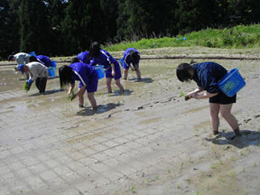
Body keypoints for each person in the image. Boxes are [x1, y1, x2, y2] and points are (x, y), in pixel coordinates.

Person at [176, 61, 241, 138]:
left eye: (188, 78)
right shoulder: (194, 72)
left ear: (189, 71)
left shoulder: (204, 72)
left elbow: (214, 92)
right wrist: (192, 93)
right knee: (213, 112)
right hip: (215, 86)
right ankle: (215, 133)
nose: (190, 79)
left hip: (227, 86)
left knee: (225, 113)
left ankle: (238, 135)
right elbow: (203, 86)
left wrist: (198, 97)